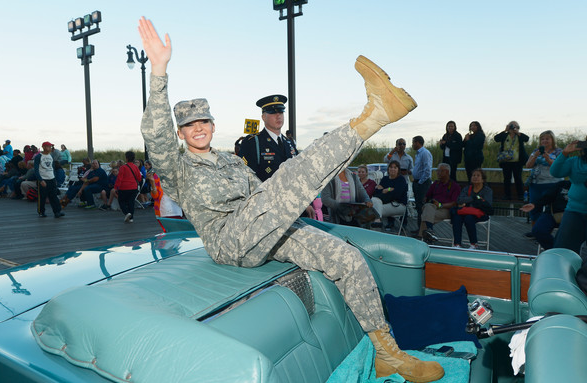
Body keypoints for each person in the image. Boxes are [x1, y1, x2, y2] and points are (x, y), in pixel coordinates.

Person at [137, 17, 442, 382]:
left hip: (259, 226)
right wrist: (159, 71)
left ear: (214, 126)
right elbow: (156, 139)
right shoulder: (178, 168)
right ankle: (373, 117)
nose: (198, 128)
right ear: (180, 133)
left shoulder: (232, 160)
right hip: (228, 238)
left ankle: (386, 352)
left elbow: (260, 196)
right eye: (189, 125)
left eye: (204, 121)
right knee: (288, 178)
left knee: (343, 256)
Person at [238, 94, 316, 219]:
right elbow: (245, 180)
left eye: (281, 112)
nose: (278, 116)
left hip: (295, 210)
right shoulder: (253, 142)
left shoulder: (289, 143)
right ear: (264, 116)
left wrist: (306, 202)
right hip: (268, 211)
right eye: (273, 112)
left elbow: (298, 176)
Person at [550, 140, 587, 293]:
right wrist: (565, 153)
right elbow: (556, 172)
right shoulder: (574, 162)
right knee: (563, 251)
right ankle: (561, 287)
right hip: (575, 212)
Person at [524, 130, 563, 229]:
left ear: (552, 140)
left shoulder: (559, 152)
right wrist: (535, 156)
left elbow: (559, 166)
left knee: (553, 208)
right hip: (537, 184)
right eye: (542, 139)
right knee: (534, 208)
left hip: (554, 184)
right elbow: (528, 165)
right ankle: (535, 231)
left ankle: (547, 231)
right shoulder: (535, 151)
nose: (544, 141)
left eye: (547, 139)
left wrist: (548, 158)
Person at [519, 180, 570, 251]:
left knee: (573, 234)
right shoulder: (562, 184)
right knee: (538, 230)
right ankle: (555, 251)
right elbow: (547, 197)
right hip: (553, 213)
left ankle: (565, 252)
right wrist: (534, 204)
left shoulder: (583, 186)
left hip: (573, 215)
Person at [450, 168, 493, 249]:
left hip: (481, 213)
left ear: (483, 179)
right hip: (466, 211)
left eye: (478, 175)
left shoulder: (487, 190)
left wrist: (468, 201)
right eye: (473, 175)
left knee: (469, 218)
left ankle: (474, 243)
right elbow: (459, 200)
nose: (475, 177)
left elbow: (487, 204)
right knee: (456, 217)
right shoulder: (467, 188)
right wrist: (474, 198)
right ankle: (457, 244)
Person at [417, 163, 461, 241]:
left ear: (447, 172)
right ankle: (429, 233)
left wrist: (440, 205)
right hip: (433, 207)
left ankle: (424, 237)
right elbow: (426, 197)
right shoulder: (436, 184)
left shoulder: (454, 186)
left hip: (445, 209)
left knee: (426, 215)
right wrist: (428, 200)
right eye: (437, 170)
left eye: (440, 171)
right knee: (428, 208)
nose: (437, 173)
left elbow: (454, 203)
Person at [494, 121, 529, 200]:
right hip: (506, 161)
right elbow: (496, 139)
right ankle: (507, 195)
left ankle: (520, 195)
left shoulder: (519, 136)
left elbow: (527, 139)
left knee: (518, 178)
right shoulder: (505, 135)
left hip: (517, 161)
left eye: (515, 126)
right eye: (511, 125)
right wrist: (505, 130)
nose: (513, 127)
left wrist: (518, 132)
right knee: (506, 179)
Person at [371, 160, 408, 230]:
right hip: (384, 203)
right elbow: (375, 192)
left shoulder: (401, 180)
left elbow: (397, 195)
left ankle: (376, 228)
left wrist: (384, 190)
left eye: (395, 167)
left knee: (374, 211)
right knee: (374, 200)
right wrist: (387, 190)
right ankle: (377, 223)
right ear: (388, 169)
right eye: (391, 167)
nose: (392, 169)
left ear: (398, 170)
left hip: (398, 205)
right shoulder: (385, 179)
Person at [34, 141, 64, 218]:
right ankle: (41, 211)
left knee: (53, 196)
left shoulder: (51, 156)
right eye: (48, 146)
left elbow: (52, 168)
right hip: (43, 179)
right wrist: (40, 180)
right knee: (42, 197)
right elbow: (36, 170)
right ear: (44, 147)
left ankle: (57, 211)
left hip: (51, 178)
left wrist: (54, 177)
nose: (50, 148)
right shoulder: (39, 157)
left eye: (50, 147)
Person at [411, 135, 432, 233]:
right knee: (418, 207)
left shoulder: (424, 153)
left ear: (418, 143)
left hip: (422, 184)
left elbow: (427, 170)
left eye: (413, 142)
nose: (412, 145)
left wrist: (420, 182)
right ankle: (419, 228)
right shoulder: (418, 154)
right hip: (417, 182)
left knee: (422, 206)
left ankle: (423, 230)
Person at [115, 151, 142, 223]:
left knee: (121, 201)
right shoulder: (135, 167)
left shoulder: (122, 167)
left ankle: (127, 213)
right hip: (133, 187)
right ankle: (131, 218)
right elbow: (139, 178)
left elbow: (119, 179)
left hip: (124, 187)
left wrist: (116, 187)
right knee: (131, 202)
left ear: (126, 158)